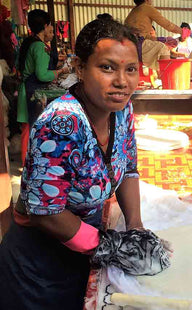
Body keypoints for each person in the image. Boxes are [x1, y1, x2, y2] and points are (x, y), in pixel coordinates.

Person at [0, 14, 143, 310]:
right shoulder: (62, 123)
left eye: (131, 69)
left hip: (81, 254)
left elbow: (128, 168)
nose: (121, 81)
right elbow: (46, 213)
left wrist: (136, 227)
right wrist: (107, 246)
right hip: (38, 269)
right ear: (80, 67)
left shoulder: (122, 110)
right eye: (107, 68)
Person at [17, 9, 70, 164]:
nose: (51, 30)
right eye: (50, 27)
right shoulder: (39, 47)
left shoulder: (31, 43)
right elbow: (42, 75)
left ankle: (27, 163)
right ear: (45, 26)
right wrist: (60, 71)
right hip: (32, 92)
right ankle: (30, 164)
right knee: (31, 129)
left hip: (27, 90)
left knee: (27, 129)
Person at [125, 0, 191, 70]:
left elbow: (144, 36)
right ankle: (166, 77)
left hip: (129, 46)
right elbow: (167, 24)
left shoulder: (134, 11)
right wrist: (182, 31)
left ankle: (163, 75)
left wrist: (163, 39)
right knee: (163, 48)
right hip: (137, 45)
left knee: (161, 48)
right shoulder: (146, 8)